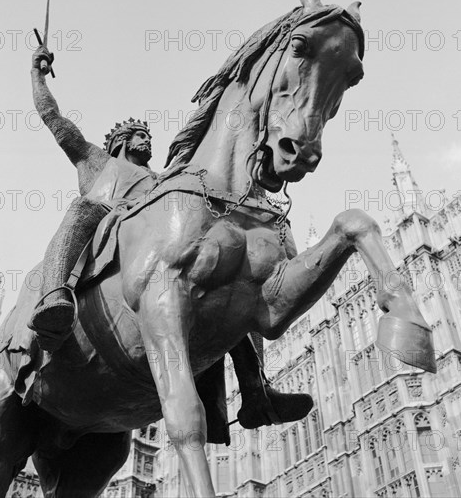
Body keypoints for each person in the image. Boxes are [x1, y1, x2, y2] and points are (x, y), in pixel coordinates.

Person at [29, 45, 313, 436]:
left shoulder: (167, 182)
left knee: (233, 280)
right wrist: (38, 74)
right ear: (121, 142)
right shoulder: (95, 162)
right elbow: (53, 118)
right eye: (140, 135)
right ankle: (54, 299)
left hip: (156, 252)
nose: (147, 139)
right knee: (82, 209)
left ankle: (255, 389)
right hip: (109, 230)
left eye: (148, 134)